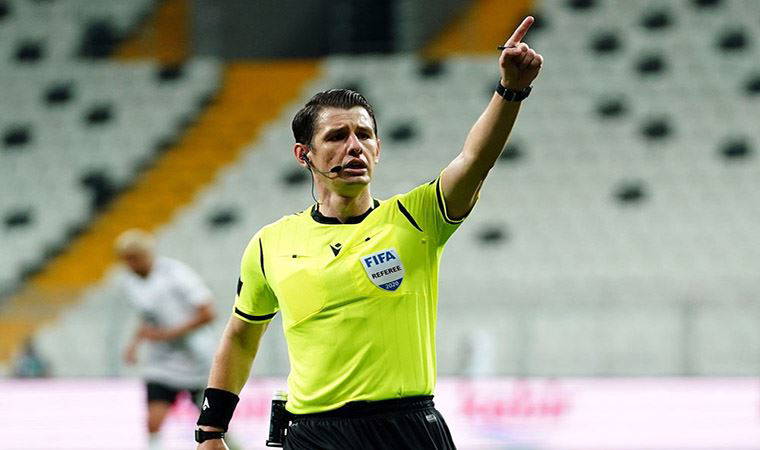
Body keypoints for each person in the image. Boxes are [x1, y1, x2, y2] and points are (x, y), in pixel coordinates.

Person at [195, 16, 543, 449]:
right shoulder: (271, 243)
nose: (354, 146)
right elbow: (241, 335)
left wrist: (510, 90)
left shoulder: (416, 218)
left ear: (378, 148)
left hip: (406, 429)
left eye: (364, 135)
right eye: (337, 136)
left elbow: (475, 159)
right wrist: (210, 430)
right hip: (313, 434)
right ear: (304, 154)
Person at [116, 228, 217, 450]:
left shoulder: (176, 274)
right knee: (153, 422)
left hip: (196, 359)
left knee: (213, 425)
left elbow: (208, 313)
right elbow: (148, 317)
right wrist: (133, 345)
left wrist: (167, 334)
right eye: (126, 260)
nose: (130, 264)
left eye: (134, 258)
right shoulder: (130, 283)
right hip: (162, 362)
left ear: (147, 254)